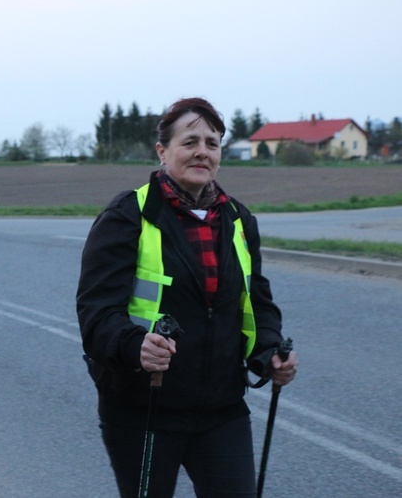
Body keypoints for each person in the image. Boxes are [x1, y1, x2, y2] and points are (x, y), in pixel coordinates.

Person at [76, 97, 298, 497]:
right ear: (162, 151)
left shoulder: (238, 219)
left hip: (222, 409)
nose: (202, 152)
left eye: (212, 143)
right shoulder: (126, 217)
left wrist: (269, 353)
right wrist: (134, 345)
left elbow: (256, 300)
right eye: (190, 141)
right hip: (142, 407)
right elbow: (96, 314)